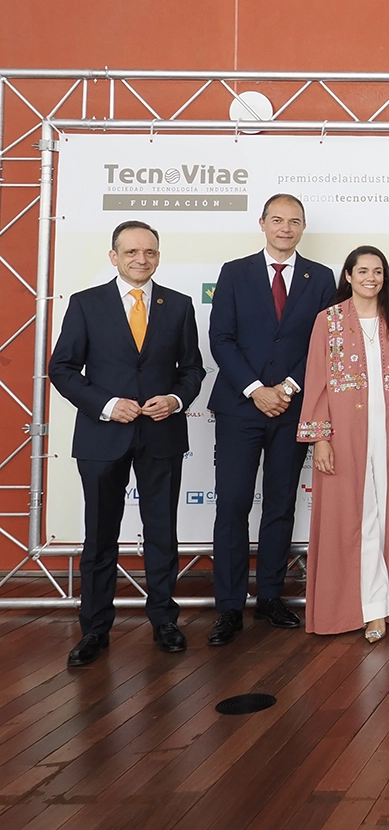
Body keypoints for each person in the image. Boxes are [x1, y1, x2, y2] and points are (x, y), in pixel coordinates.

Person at [49, 221, 206, 666]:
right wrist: (107, 404)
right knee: (100, 537)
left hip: (161, 434)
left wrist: (175, 399)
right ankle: (95, 629)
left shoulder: (178, 305)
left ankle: (165, 621)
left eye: (150, 252)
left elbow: (192, 370)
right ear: (113, 256)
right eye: (132, 252)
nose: (142, 259)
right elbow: (62, 369)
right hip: (102, 435)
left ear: (158, 256)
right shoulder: (86, 304)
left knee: (162, 533)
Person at [206, 194, 336, 646]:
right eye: (277, 220)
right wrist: (255, 389)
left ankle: (270, 597)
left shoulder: (320, 277)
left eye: (294, 221)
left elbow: (323, 344)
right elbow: (220, 338)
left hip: (291, 407)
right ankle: (228, 607)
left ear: (303, 227)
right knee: (233, 505)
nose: (285, 228)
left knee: (280, 506)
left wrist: (287, 388)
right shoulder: (234, 272)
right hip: (240, 407)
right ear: (262, 223)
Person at [297, 246, 389, 642]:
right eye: (363, 271)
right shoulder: (328, 320)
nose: (371, 278)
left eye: (378, 271)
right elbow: (316, 380)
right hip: (345, 433)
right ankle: (368, 608)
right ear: (348, 276)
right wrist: (320, 437)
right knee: (356, 517)